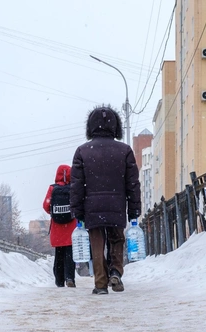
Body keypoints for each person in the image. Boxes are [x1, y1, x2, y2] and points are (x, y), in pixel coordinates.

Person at [70, 105, 141, 295]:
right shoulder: (124, 150)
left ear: (90, 127)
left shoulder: (82, 151)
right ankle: (116, 271)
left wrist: (77, 209)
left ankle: (100, 283)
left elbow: (76, 184)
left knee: (97, 244)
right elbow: (133, 183)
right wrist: (134, 209)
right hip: (117, 205)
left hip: (91, 206)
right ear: (116, 126)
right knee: (117, 240)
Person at [43, 164, 77, 288]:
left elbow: (46, 205)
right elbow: (78, 205)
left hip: (57, 228)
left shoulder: (52, 189)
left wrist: (54, 214)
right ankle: (70, 278)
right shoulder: (73, 188)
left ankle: (59, 280)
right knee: (70, 254)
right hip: (71, 227)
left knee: (59, 254)